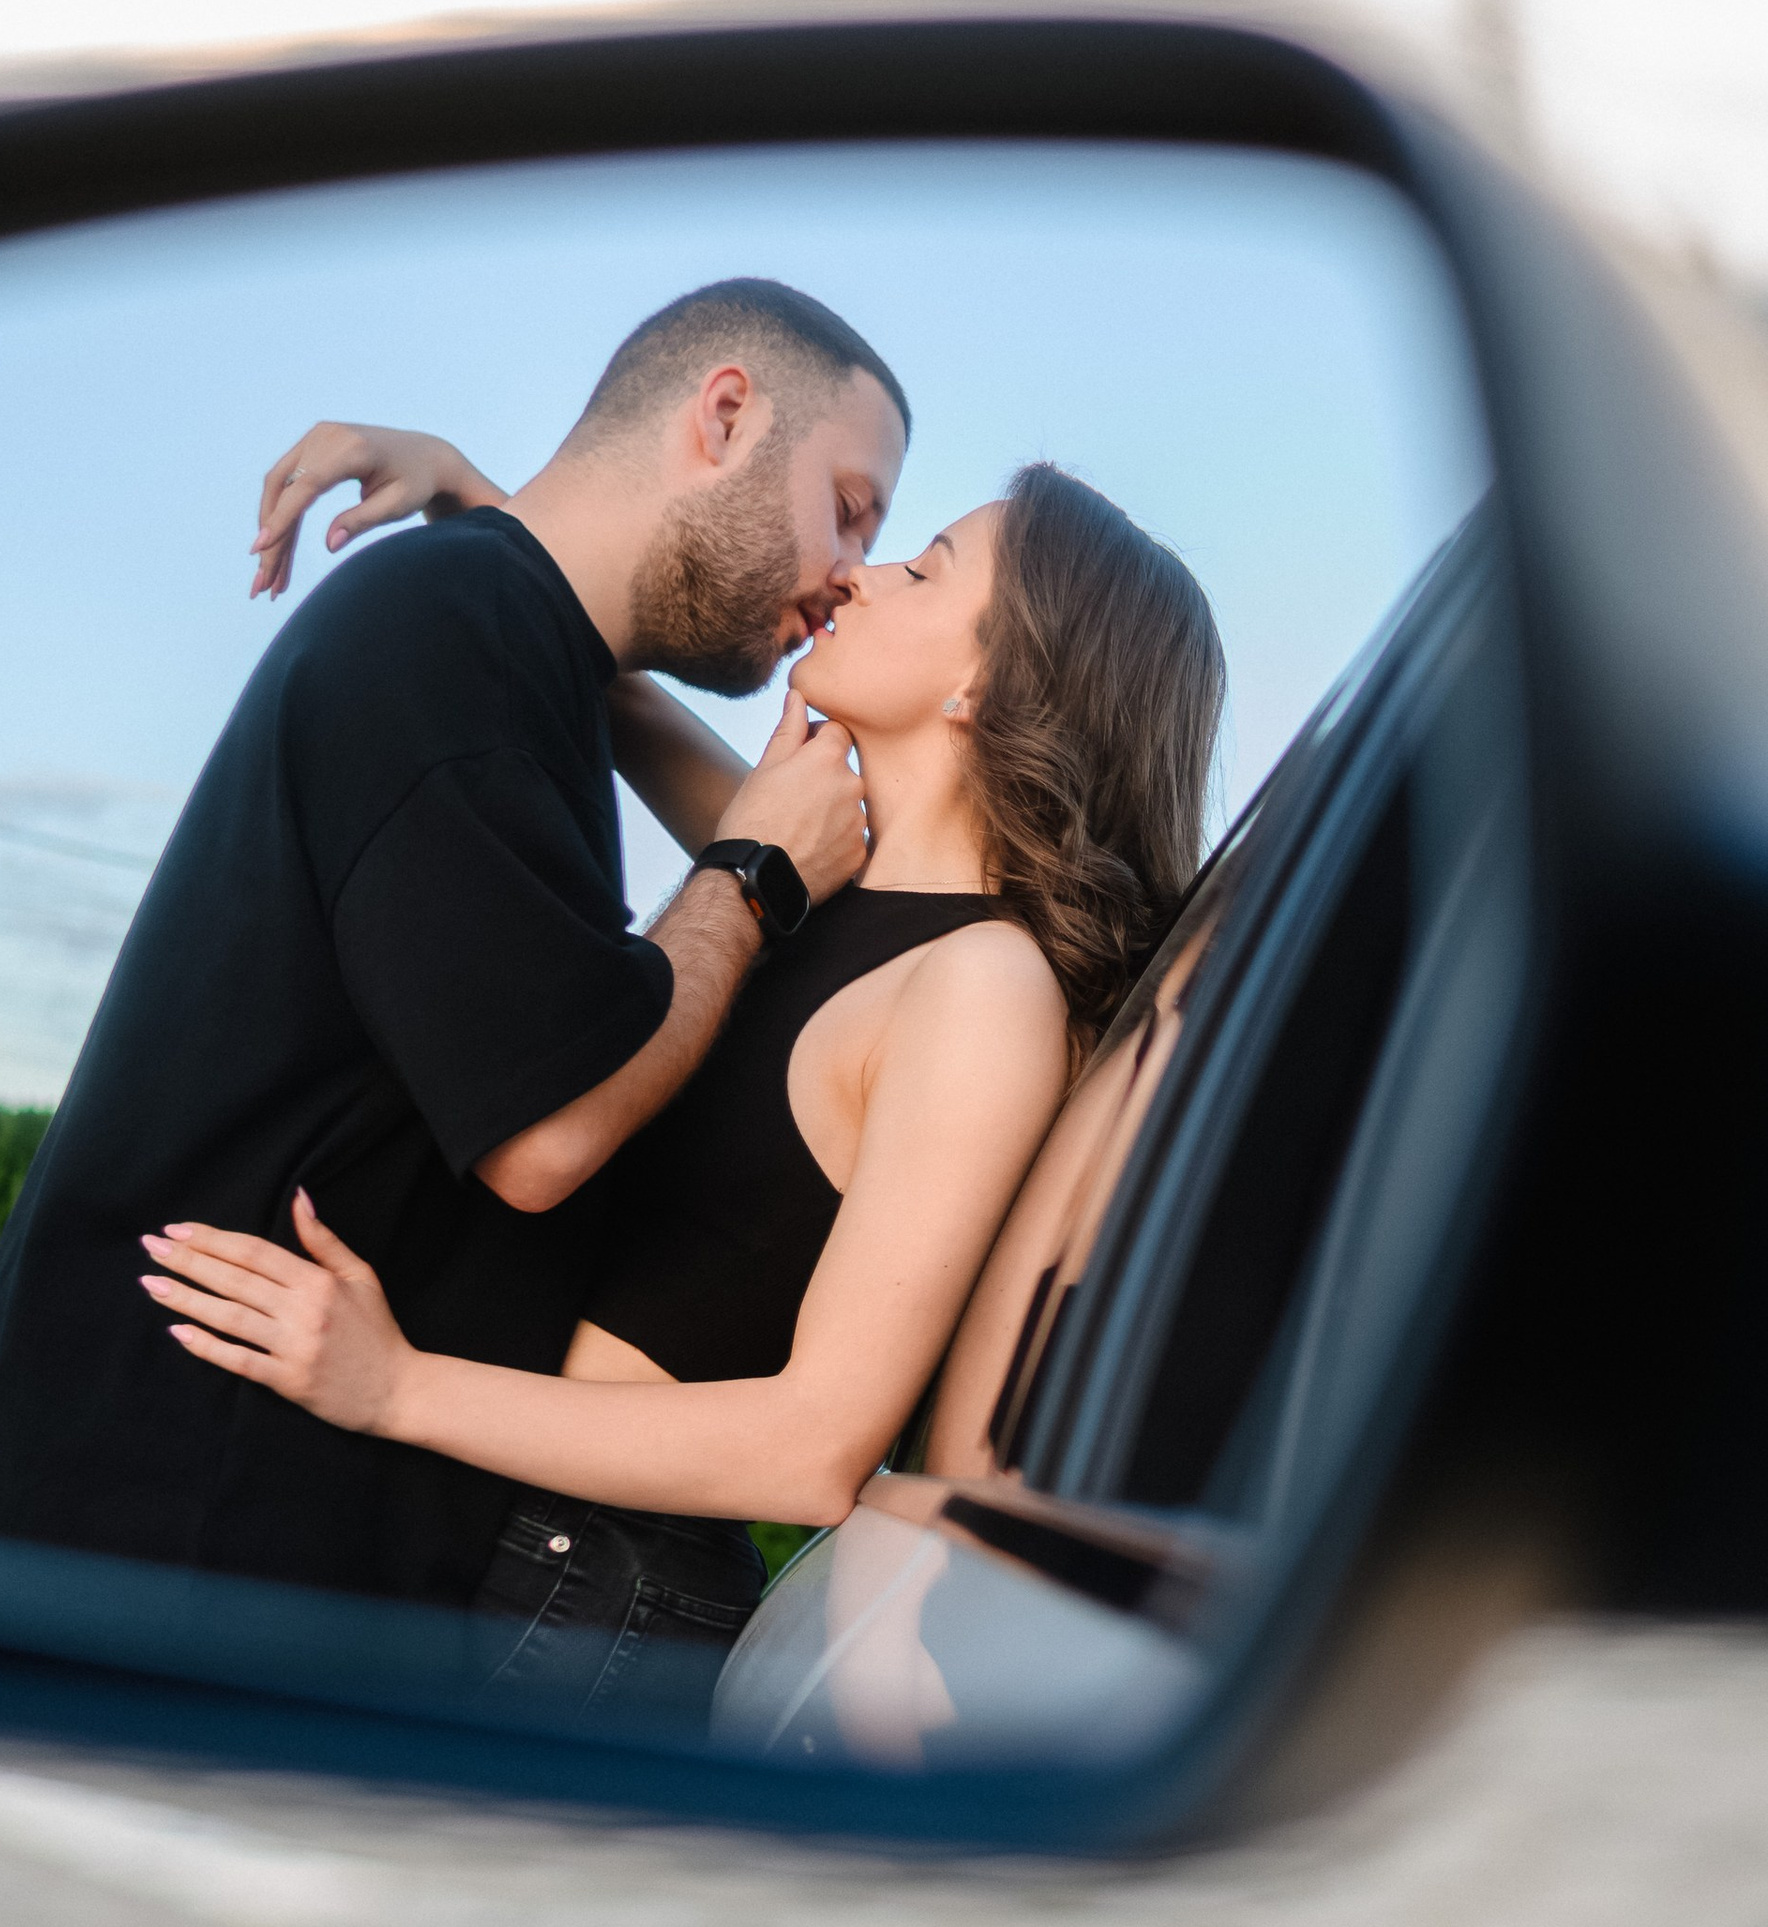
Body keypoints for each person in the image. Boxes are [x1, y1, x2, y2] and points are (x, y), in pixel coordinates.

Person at [141, 453, 1227, 1717]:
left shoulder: (982, 992)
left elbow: (814, 1446)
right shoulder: (830, 883)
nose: (858, 577)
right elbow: (624, 693)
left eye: (921, 567)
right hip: (524, 1544)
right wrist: (474, 493)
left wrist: (397, 1389)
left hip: (595, 1588)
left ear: (987, 681)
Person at [0, 279, 910, 1603]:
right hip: (160, 1567)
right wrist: (753, 876)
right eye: (849, 507)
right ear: (722, 416)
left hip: (207, 1558)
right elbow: (547, 1132)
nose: (849, 574)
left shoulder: (503, 638)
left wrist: (476, 485)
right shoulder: (451, 631)